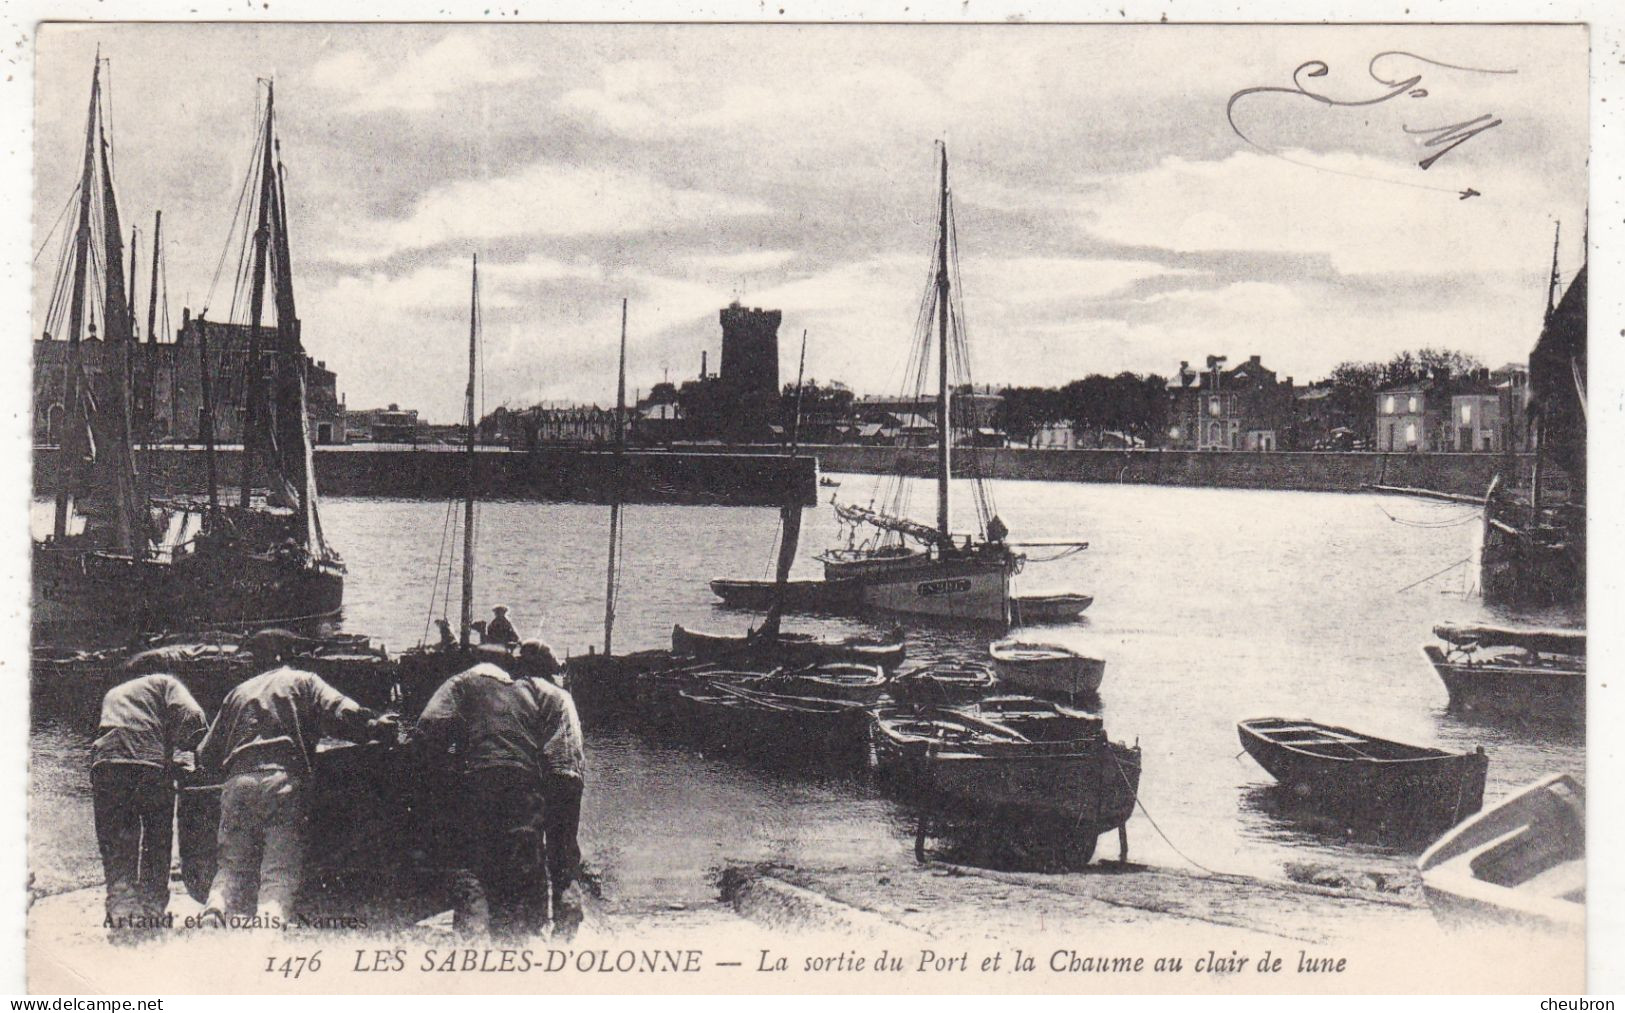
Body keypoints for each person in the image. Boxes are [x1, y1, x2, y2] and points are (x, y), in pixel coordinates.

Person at [195, 630, 395, 927]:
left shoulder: (237, 692)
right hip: (281, 781)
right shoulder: (304, 680)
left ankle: (213, 914)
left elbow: (205, 753)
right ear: (287, 655)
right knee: (278, 870)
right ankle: (268, 934)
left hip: (238, 782)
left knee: (230, 866)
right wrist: (378, 725)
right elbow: (344, 713)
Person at [414, 639, 584, 939]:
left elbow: (427, 732)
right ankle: (547, 935)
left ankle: (477, 947)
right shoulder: (554, 696)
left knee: (476, 874)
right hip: (540, 789)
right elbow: (561, 765)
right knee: (542, 869)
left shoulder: (470, 684)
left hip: (485, 788)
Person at [90, 667, 207, 929]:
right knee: (157, 837)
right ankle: (152, 907)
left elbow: (120, 733)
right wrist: (193, 747)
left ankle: (121, 907)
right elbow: (194, 716)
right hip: (148, 767)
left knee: (117, 839)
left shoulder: (113, 692)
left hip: (105, 765)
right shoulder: (165, 682)